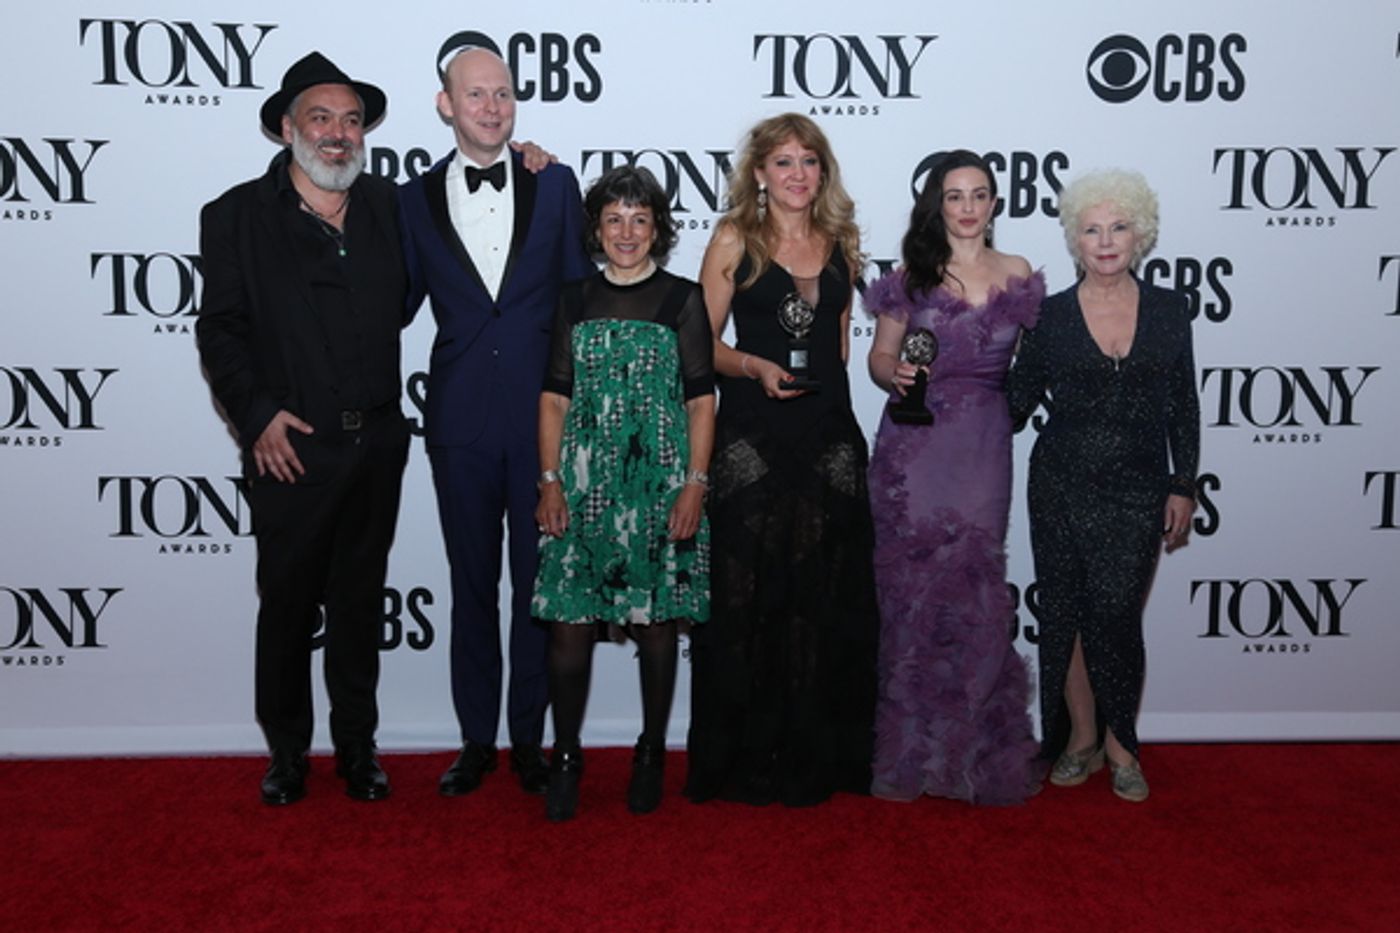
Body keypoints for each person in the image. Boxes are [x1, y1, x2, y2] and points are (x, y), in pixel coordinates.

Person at [196, 51, 409, 805]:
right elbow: (220, 329)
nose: (339, 133)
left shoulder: (392, 207)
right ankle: (287, 753)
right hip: (290, 449)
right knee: (287, 605)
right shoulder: (235, 216)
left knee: (359, 604)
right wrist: (256, 416)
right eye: (321, 118)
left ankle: (357, 749)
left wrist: (530, 160)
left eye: (352, 120)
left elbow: (473, 205)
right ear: (288, 129)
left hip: (377, 442)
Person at [399, 33, 594, 798]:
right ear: (446, 105)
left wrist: (583, 414)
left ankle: (528, 742)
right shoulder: (410, 200)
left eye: (503, 93)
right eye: (475, 93)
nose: (491, 106)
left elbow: (579, 303)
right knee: (472, 587)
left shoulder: (557, 183)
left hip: (545, 421)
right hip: (458, 424)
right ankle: (476, 739)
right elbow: (392, 302)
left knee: (538, 591)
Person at [685, 113, 879, 807]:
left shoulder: (841, 240)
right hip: (752, 437)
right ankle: (747, 759)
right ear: (760, 174)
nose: (798, 174)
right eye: (784, 162)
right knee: (746, 598)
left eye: (809, 161)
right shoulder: (734, 237)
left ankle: (819, 756)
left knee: (824, 596)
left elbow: (839, 345)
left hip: (827, 439)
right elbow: (698, 345)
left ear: (822, 172)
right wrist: (754, 366)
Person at [1006, 169, 1200, 803]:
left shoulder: (1169, 309)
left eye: (1119, 227)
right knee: (1065, 615)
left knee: (1116, 615)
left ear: (1140, 234)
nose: (1107, 241)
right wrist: (951, 379)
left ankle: (1123, 744)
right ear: (1075, 239)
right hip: (1060, 485)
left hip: (1139, 489)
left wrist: (1183, 483)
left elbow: (1184, 403)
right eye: (1092, 230)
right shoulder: (1050, 315)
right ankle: (1083, 739)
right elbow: (1013, 404)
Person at [533, 166, 715, 821]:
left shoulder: (682, 299)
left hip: (659, 488)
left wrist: (694, 485)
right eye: (614, 219)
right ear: (597, 229)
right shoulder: (574, 298)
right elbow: (554, 397)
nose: (627, 232)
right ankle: (566, 756)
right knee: (568, 627)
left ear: (657, 228)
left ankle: (650, 753)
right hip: (580, 489)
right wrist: (550, 481)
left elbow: (700, 401)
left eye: (640, 219)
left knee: (657, 625)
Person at [863, 150, 1044, 805]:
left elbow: (1040, 363)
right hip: (912, 450)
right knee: (911, 594)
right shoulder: (910, 276)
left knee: (974, 586)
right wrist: (897, 374)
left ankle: (968, 755)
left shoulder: (1019, 273)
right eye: (955, 195)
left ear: (994, 203)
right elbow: (879, 358)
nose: (968, 207)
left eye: (979, 194)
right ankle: (909, 754)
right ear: (937, 205)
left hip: (983, 444)